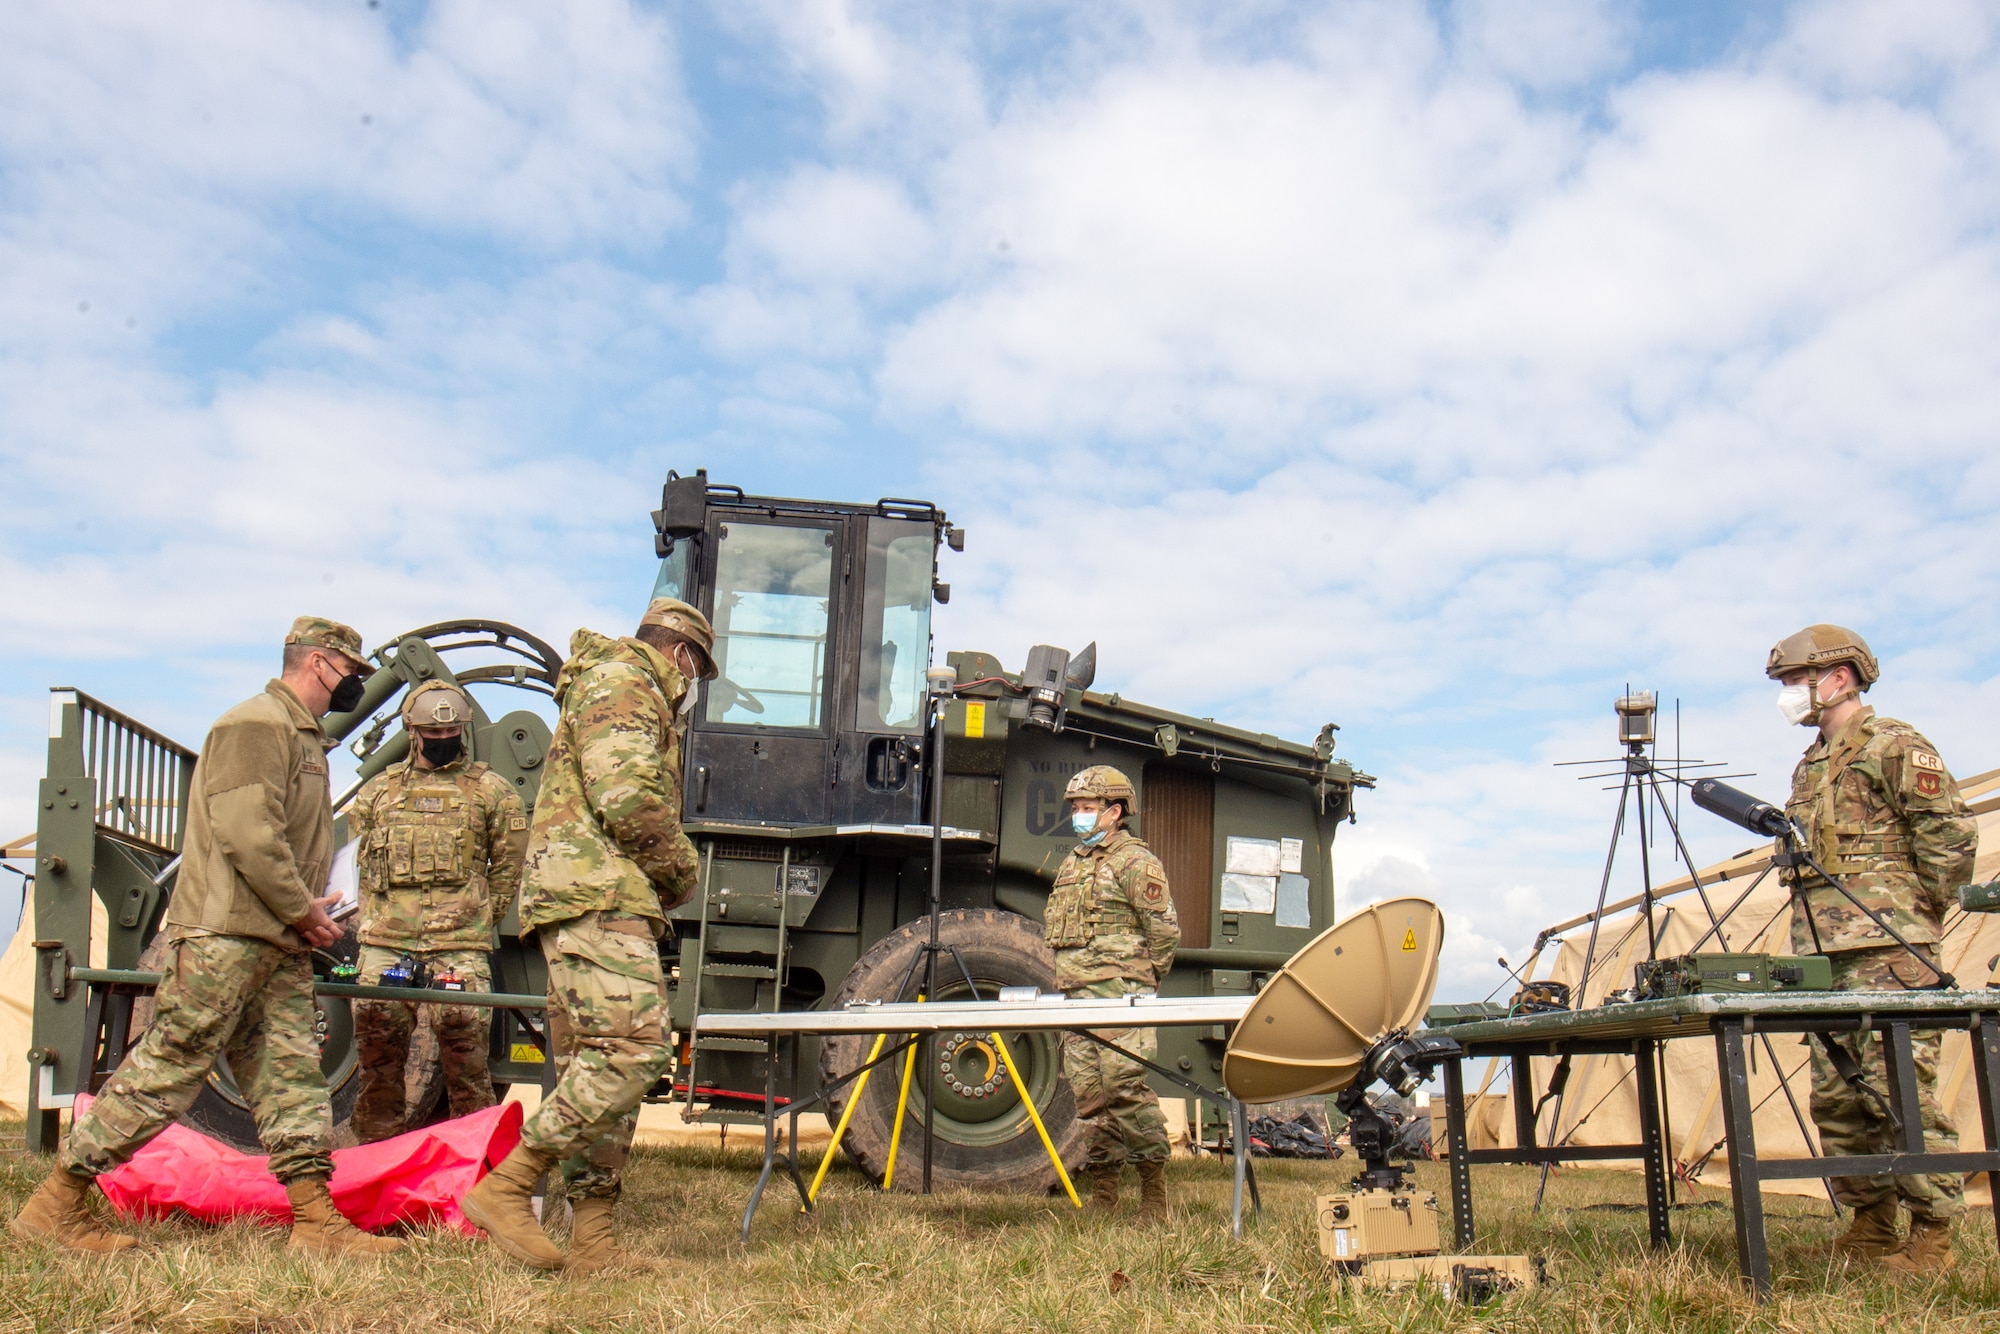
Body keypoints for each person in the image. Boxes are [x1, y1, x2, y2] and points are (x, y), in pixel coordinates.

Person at [11, 617, 400, 1258]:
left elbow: (280, 839)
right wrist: (300, 906)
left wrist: (303, 908)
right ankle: (56, 1201)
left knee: (291, 1078)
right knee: (170, 1067)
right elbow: (247, 833)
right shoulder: (253, 725)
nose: (354, 683)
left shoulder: (299, 736)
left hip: (273, 941)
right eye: (351, 672)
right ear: (321, 663)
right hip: (227, 936)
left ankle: (315, 1223)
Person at [460, 597, 716, 1272]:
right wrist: (681, 868)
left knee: (590, 1065)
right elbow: (627, 794)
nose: (691, 690)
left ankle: (593, 1242)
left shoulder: (609, 682)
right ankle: (510, 1186)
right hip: (598, 893)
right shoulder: (628, 681)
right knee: (634, 1052)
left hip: (586, 894)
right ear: (682, 655)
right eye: (696, 673)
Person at [1769, 624, 1979, 1274]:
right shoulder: (1809, 765)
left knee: (1899, 1091)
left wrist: (1916, 916)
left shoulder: (1895, 744)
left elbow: (1949, 835)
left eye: (1796, 682)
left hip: (1890, 950)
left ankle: (1932, 1237)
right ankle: (1870, 1224)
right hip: (1821, 955)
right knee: (1838, 1093)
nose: (1789, 696)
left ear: (1839, 677)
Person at [347, 681, 529, 1142]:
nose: (443, 738)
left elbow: (508, 870)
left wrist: (472, 923)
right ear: (413, 731)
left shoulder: (492, 791)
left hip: (460, 949)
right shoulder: (377, 794)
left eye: (452, 731)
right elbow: (364, 868)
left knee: (468, 1070)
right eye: (433, 731)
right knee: (377, 1068)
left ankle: (472, 1174)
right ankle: (376, 1168)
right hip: (386, 947)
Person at [1043, 764, 1180, 1225]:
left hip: (1121, 1000)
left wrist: (1140, 984)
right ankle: (1105, 1195)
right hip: (1077, 1002)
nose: (1079, 815)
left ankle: (1154, 1199)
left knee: (1125, 1091)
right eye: (1077, 808)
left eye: (1087, 808)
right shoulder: (1071, 864)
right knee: (1089, 1099)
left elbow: (1164, 931)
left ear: (1114, 812)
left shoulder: (1134, 861)